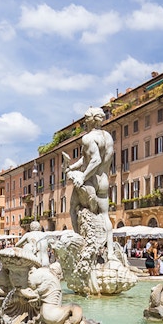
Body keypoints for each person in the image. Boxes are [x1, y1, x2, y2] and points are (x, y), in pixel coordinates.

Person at [62, 107, 115, 258]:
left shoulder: (87, 138)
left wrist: (82, 177)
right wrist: (71, 167)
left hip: (91, 180)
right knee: (105, 216)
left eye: (86, 119)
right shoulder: (108, 137)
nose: (84, 122)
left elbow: (95, 160)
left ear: (90, 120)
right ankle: (110, 253)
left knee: (72, 208)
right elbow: (86, 159)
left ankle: (80, 245)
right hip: (104, 179)